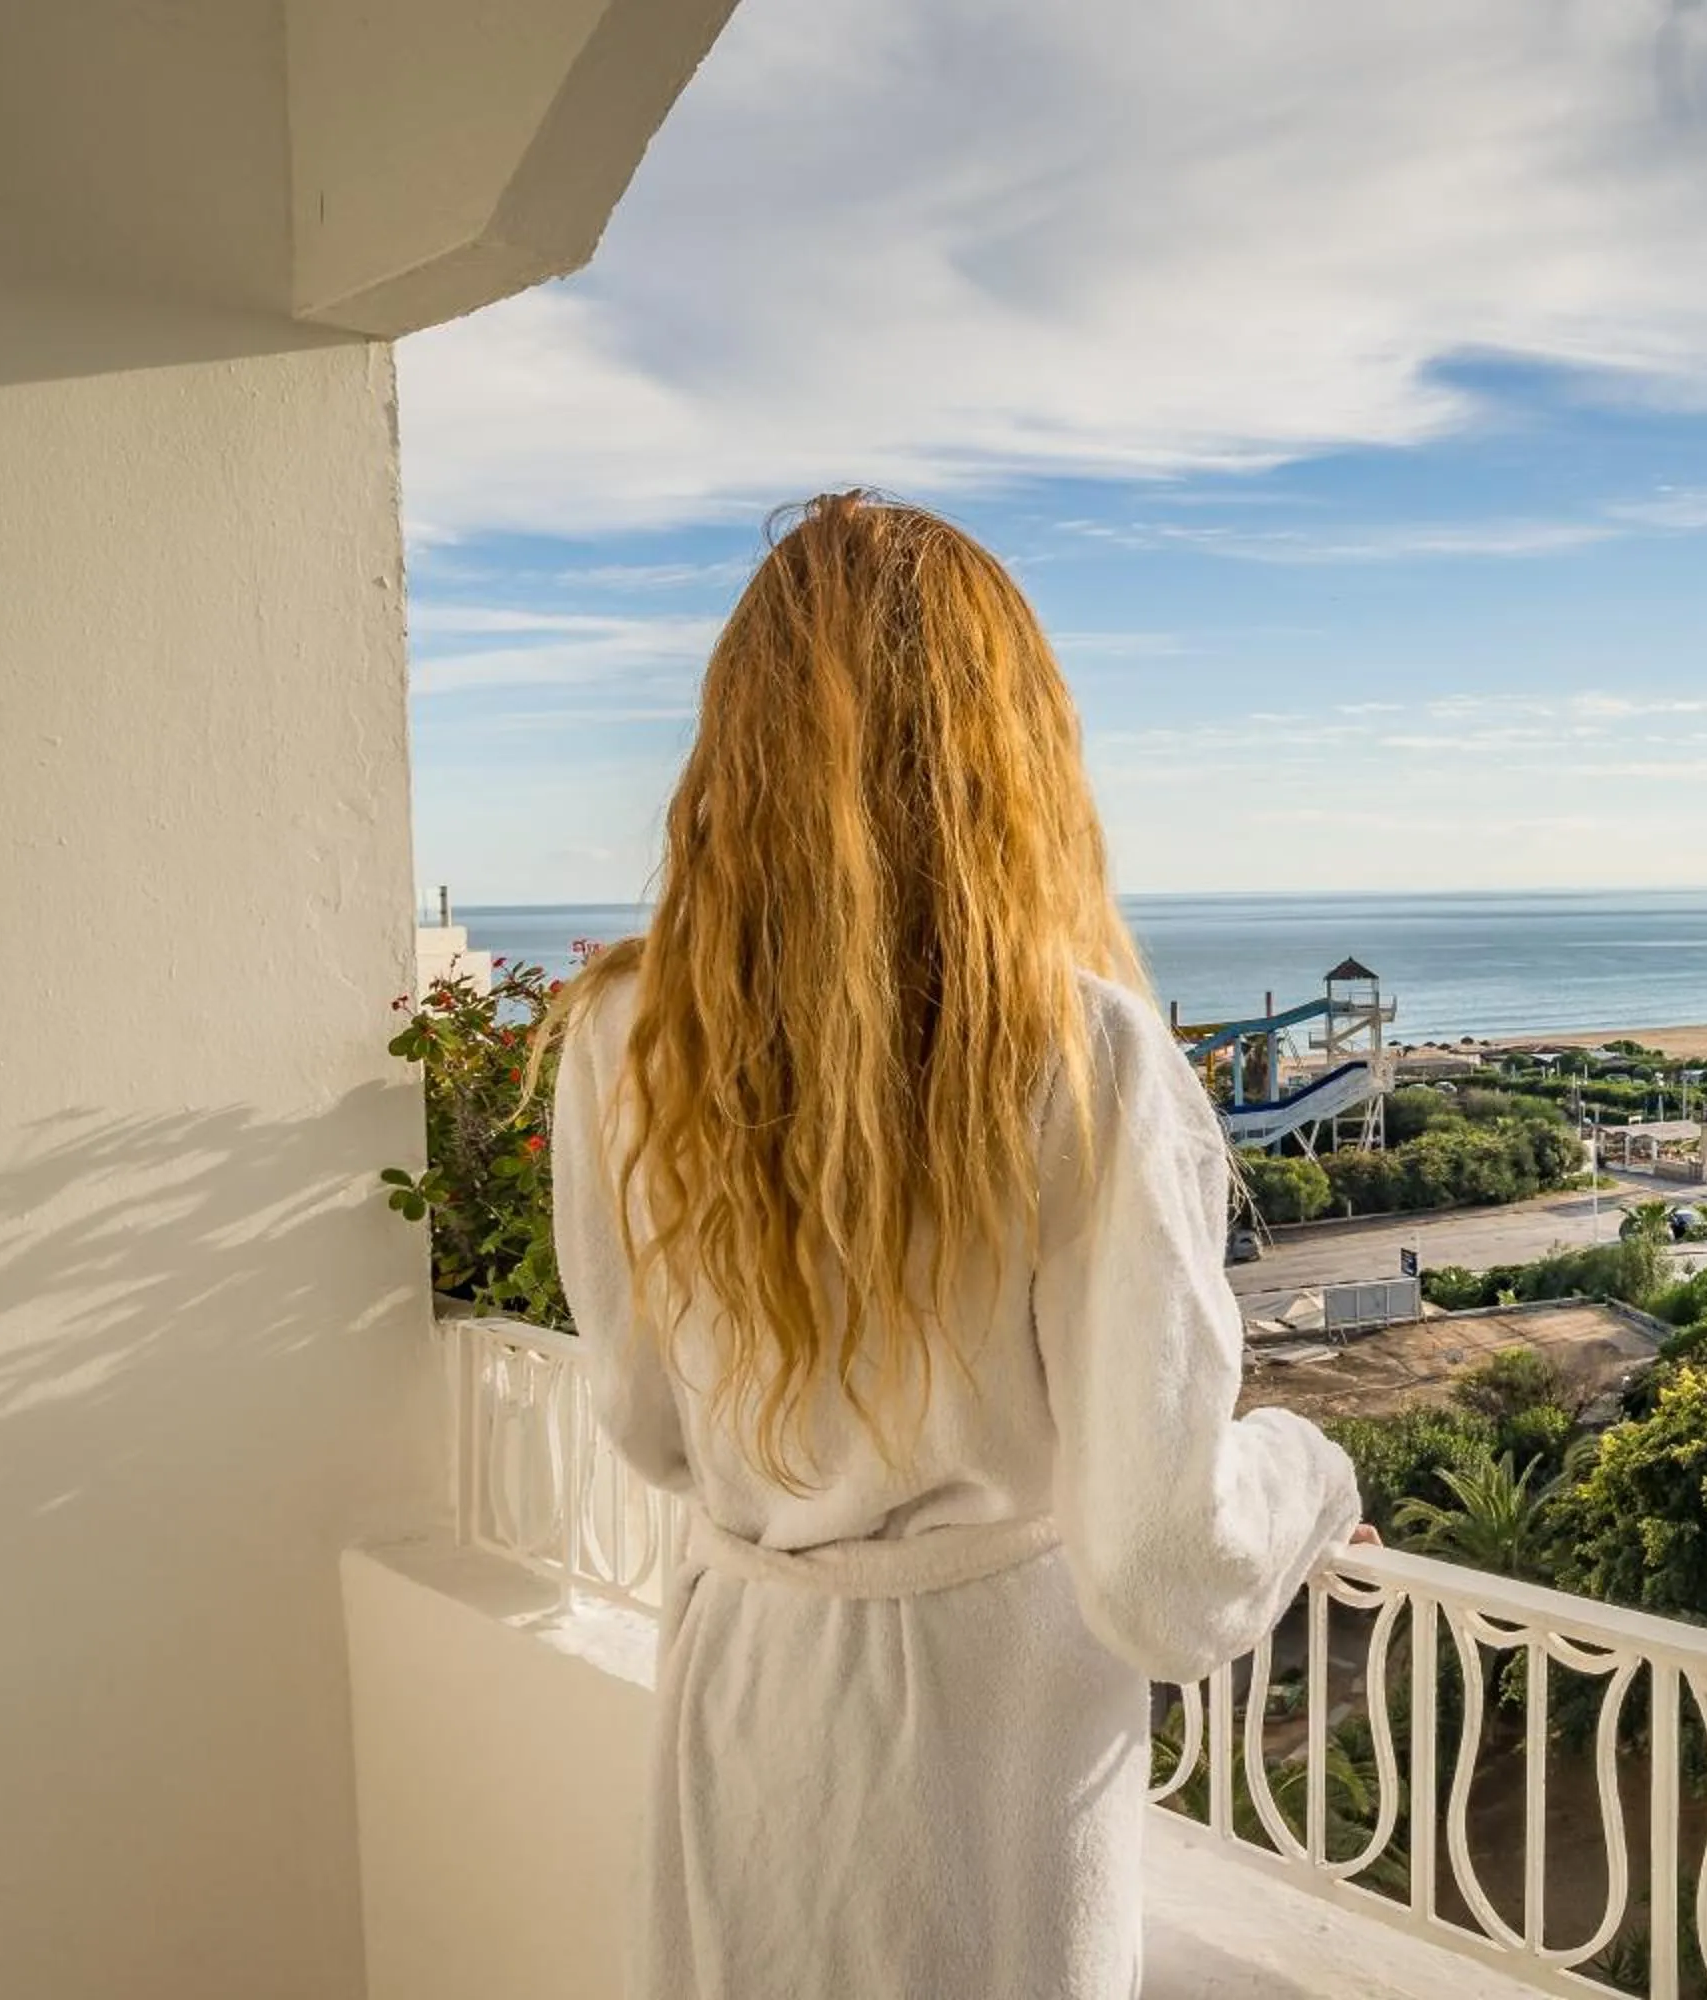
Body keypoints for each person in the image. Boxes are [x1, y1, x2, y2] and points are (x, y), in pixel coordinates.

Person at [549, 492, 1366, 1998]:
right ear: (1005, 749)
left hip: (746, 1700)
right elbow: (1162, 1570)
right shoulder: (1082, 1055)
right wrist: (1314, 1475)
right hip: (987, 1757)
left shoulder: (621, 1033)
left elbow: (648, 1423)